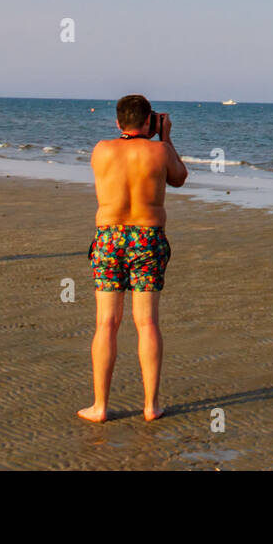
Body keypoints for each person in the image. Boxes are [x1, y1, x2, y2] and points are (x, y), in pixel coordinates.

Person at [78, 94, 188, 423]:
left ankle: (99, 406)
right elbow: (179, 177)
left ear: (117, 122)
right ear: (149, 121)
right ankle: (151, 406)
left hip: (110, 238)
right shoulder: (160, 151)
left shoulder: (101, 149)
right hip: (147, 238)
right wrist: (165, 136)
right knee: (147, 323)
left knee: (106, 324)